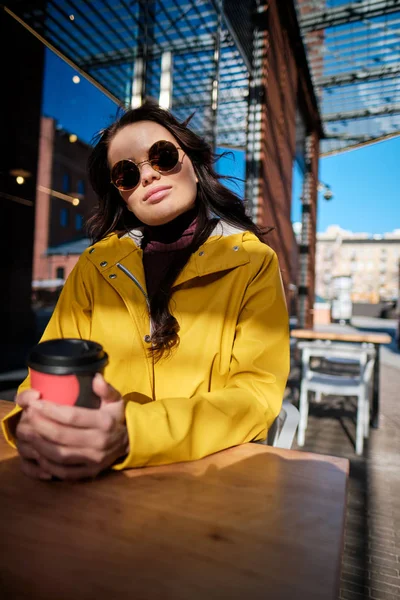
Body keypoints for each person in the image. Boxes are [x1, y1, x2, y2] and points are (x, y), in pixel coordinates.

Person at [1, 101, 290, 481]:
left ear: (195, 165)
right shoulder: (94, 265)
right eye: (126, 174)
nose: (149, 176)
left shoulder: (253, 262)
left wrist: (132, 434)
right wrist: (33, 423)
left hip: (207, 478)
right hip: (92, 479)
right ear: (121, 193)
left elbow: (255, 396)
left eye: (163, 157)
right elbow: (48, 371)